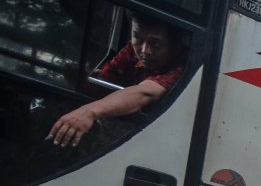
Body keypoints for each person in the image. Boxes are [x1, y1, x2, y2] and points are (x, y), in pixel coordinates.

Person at [48, 13, 188, 148]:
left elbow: (145, 93)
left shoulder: (183, 66)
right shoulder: (132, 52)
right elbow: (102, 84)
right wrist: (78, 76)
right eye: (138, 39)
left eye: (155, 43)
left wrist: (89, 112)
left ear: (175, 45)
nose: (145, 51)